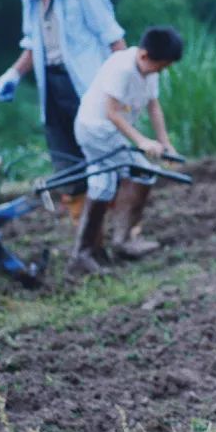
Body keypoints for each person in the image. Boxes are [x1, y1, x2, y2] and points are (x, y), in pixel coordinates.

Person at [0, 0, 127, 221]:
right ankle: (82, 224)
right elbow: (32, 44)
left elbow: (115, 40)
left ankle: (114, 223)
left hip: (87, 85)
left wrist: (122, 88)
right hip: (51, 84)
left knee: (100, 156)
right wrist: (13, 74)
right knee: (64, 155)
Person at [69, 25, 183, 275]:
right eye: (161, 66)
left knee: (119, 179)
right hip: (96, 129)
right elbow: (112, 112)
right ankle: (96, 250)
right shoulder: (121, 68)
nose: (161, 71)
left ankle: (104, 246)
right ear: (144, 56)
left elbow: (154, 106)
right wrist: (142, 142)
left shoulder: (149, 71)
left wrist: (164, 142)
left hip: (112, 131)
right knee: (128, 174)